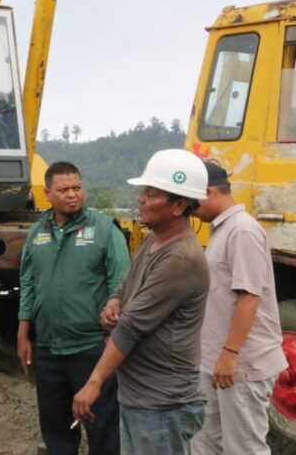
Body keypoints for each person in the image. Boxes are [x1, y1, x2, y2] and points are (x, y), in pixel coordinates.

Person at [72, 149, 210, 455]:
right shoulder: (154, 240)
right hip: (142, 398)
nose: (141, 199)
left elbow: (131, 327)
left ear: (179, 206)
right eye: (143, 192)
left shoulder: (181, 258)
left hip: (163, 404)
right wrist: (114, 301)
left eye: (150, 193)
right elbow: (126, 284)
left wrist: (94, 382)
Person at [18, 161, 130, 455]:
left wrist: (113, 337)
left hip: (92, 349)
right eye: (64, 189)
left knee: (102, 428)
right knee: (55, 430)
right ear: (47, 193)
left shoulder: (104, 229)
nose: (72, 195)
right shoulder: (37, 234)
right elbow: (27, 286)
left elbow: (122, 285)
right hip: (48, 351)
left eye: (77, 188)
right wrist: (23, 334)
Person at [190, 161, 287, 455]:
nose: (188, 209)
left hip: (240, 365)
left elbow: (249, 297)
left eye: (189, 201)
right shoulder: (223, 229)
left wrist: (230, 354)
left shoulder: (242, 231)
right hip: (217, 362)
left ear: (207, 192)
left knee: (242, 448)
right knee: (206, 442)